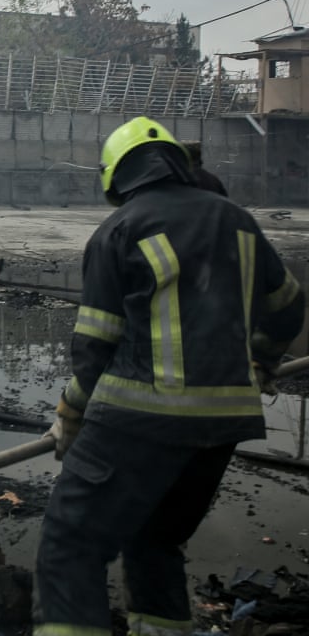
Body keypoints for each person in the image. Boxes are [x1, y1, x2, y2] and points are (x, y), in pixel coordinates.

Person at [35, 116, 304, 636]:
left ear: (116, 178)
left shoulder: (119, 229)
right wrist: (261, 361)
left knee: (71, 545)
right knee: (155, 541)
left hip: (140, 422)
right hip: (223, 428)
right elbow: (290, 306)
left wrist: (70, 414)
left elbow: (94, 350)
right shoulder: (240, 222)